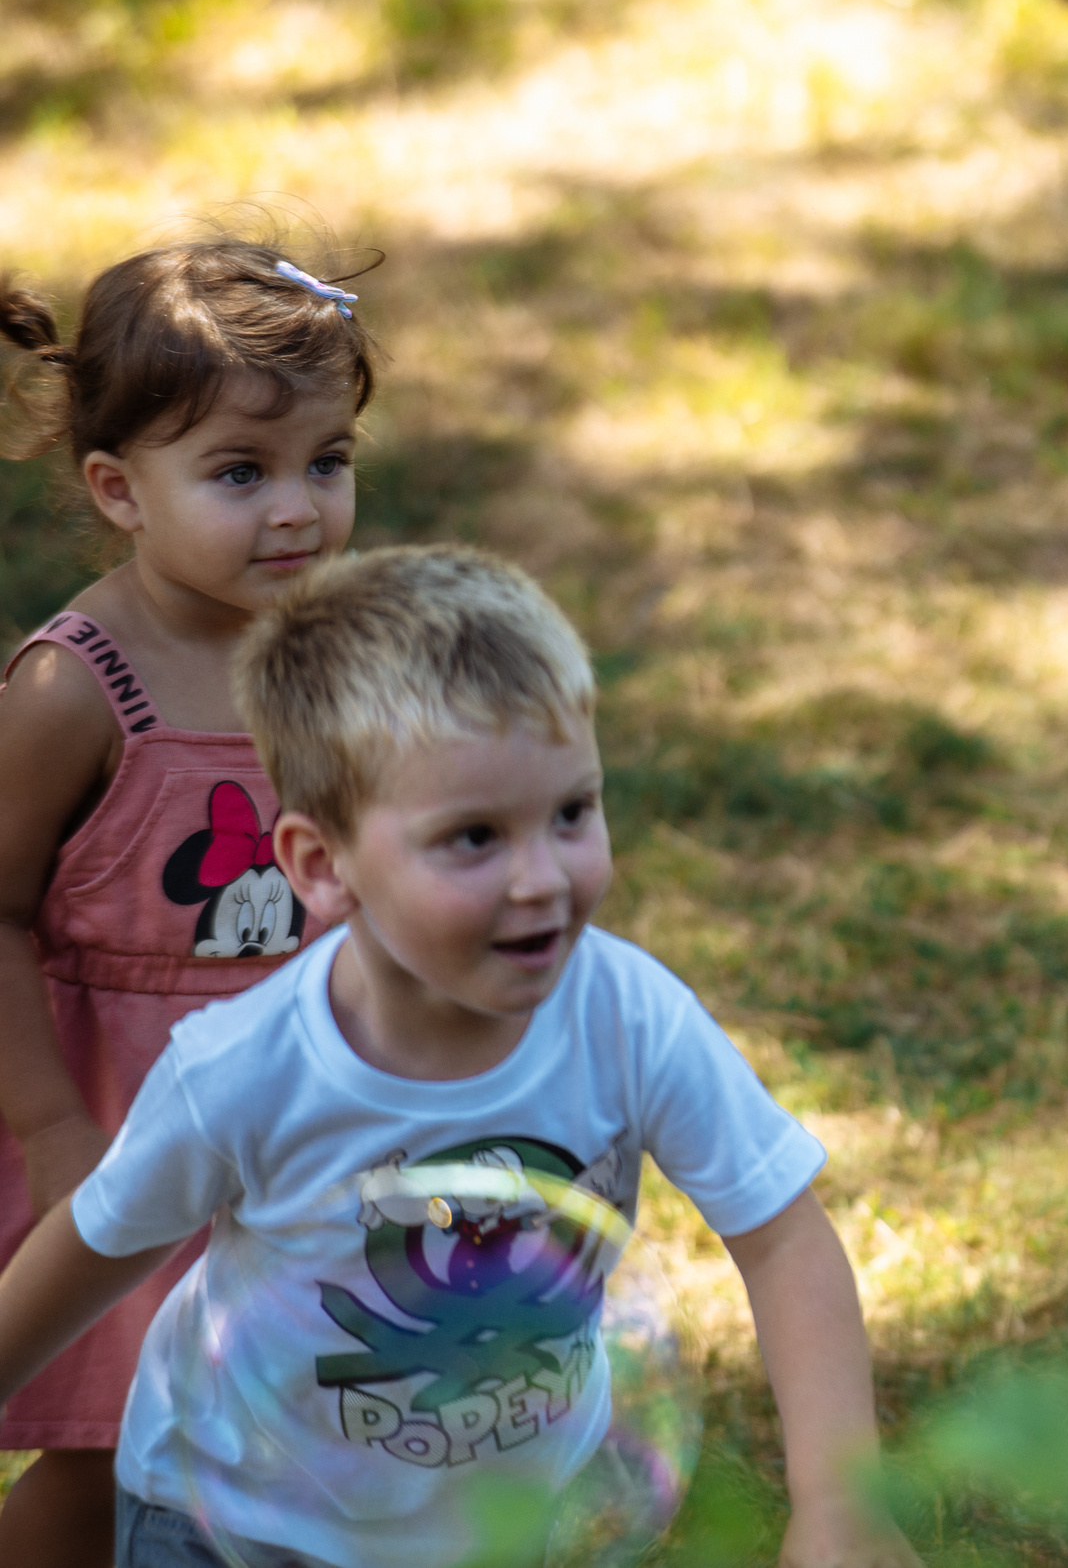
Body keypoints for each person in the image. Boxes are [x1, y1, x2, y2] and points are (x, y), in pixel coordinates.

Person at [0, 545, 920, 1568]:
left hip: (505, 1527)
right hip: (233, 1525)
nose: (541, 879)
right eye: (474, 838)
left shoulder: (629, 1016)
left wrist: (841, 1500)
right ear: (322, 865)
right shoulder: (244, 1069)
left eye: (571, 813)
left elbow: (784, 1237)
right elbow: (96, 1243)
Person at [0, 239, 373, 1565]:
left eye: (325, 462)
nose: (296, 508)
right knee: (112, 1435)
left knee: (301, 1411)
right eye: (238, 473)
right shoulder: (75, 688)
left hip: (301, 1109)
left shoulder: (342, 654)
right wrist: (49, 1128)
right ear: (120, 490)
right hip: (125, 1119)